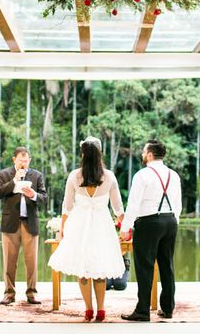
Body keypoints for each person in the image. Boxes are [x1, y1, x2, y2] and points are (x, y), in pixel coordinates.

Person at [48, 136, 125, 322]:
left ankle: (88, 310)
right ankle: (101, 311)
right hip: (102, 227)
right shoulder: (109, 177)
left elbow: (66, 206)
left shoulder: (74, 176)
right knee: (99, 268)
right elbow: (118, 209)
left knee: (83, 269)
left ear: (82, 154)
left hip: (79, 226)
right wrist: (126, 228)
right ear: (100, 154)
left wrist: (63, 228)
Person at [120, 139, 182, 322]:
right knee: (167, 264)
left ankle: (142, 311)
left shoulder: (142, 175)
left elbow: (133, 205)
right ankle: (168, 308)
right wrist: (174, 221)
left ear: (149, 154)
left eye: (143, 151)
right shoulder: (174, 175)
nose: (142, 154)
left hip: (148, 223)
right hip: (170, 221)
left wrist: (125, 229)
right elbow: (178, 203)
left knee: (145, 266)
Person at [0, 147, 47, 305]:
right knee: (9, 261)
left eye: (26, 160)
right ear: (14, 160)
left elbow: (44, 198)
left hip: (30, 222)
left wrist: (34, 195)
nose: (23, 163)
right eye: (20, 160)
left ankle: (32, 293)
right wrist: (14, 181)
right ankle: (9, 293)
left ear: (29, 160)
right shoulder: (4, 174)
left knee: (31, 261)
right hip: (10, 223)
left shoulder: (37, 175)